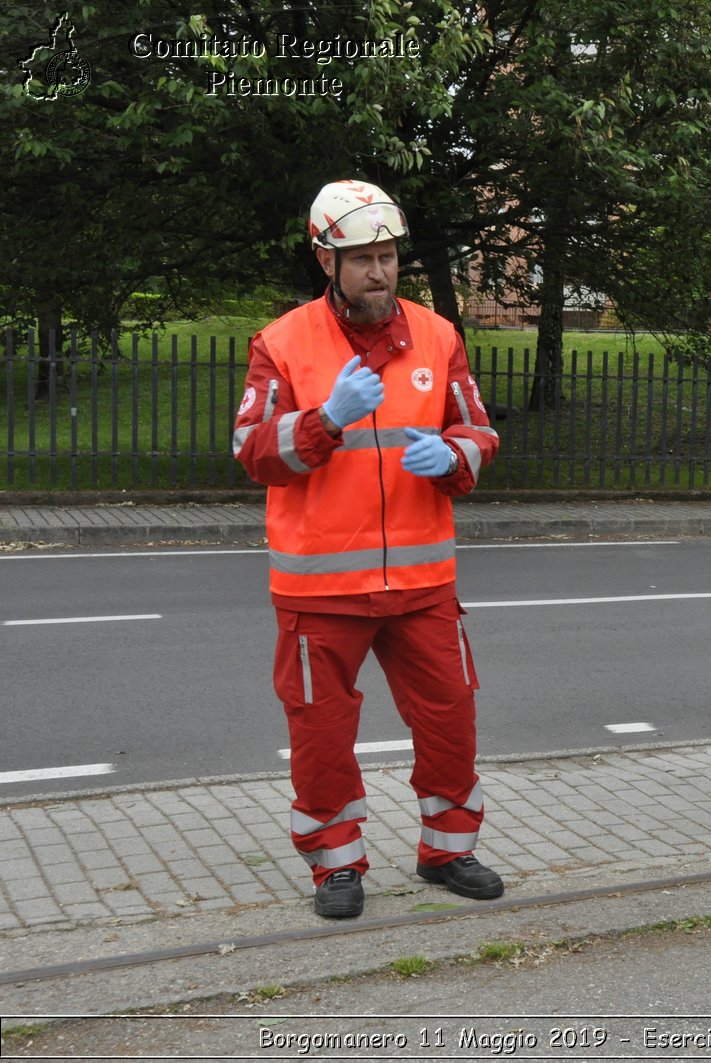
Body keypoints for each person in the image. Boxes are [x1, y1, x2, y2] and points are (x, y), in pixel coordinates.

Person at [233, 179, 505, 920]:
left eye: (387, 256)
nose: (379, 272)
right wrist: (324, 421)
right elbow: (252, 451)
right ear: (328, 261)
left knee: (450, 718)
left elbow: (479, 431)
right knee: (321, 736)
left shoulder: (439, 335)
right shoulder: (282, 342)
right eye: (362, 259)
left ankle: (448, 849)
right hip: (321, 592)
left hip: (422, 583)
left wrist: (451, 458)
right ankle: (336, 865)